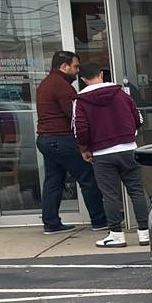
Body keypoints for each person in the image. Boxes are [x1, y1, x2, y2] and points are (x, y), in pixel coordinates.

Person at [72, 65, 149, 249]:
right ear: (101, 74)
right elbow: (138, 119)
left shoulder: (80, 101)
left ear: (82, 80)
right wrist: (130, 135)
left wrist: (84, 148)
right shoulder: (121, 94)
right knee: (137, 191)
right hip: (129, 149)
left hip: (102, 153)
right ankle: (144, 233)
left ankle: (116, 234)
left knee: (110, 195)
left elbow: (80, 129)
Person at [33, 51, 108, 235]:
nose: (77, 71)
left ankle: (51, 222)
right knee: (87, 177)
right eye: (75, 67)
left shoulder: (46, 83)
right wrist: (86, 143)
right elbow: (74, 116)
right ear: (63, 66)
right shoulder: (62, 87)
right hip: (61, 139)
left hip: (46, 139)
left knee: (54, 180)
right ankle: (99, 220)